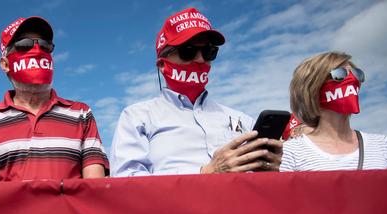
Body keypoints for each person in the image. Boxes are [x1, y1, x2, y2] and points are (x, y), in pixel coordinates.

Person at [110, 7, 283, 176]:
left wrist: (273, 170)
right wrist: (205, 173)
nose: (200, 59)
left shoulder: (244, 120)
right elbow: (126, 182)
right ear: (162, 65)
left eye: (209, 52)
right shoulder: (137, 117)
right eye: (188, 51)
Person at [0, 16, 109, 182]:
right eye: (24, 45)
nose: (37, 51)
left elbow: (95, 187)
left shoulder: (81, 113)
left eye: (45, 45)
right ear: (5, 64)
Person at [281, 51, 387, 171]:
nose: (352, 80)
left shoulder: (383, 145)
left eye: (356, 74)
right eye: (340, 74)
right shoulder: (290, 153)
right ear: (312, 88)